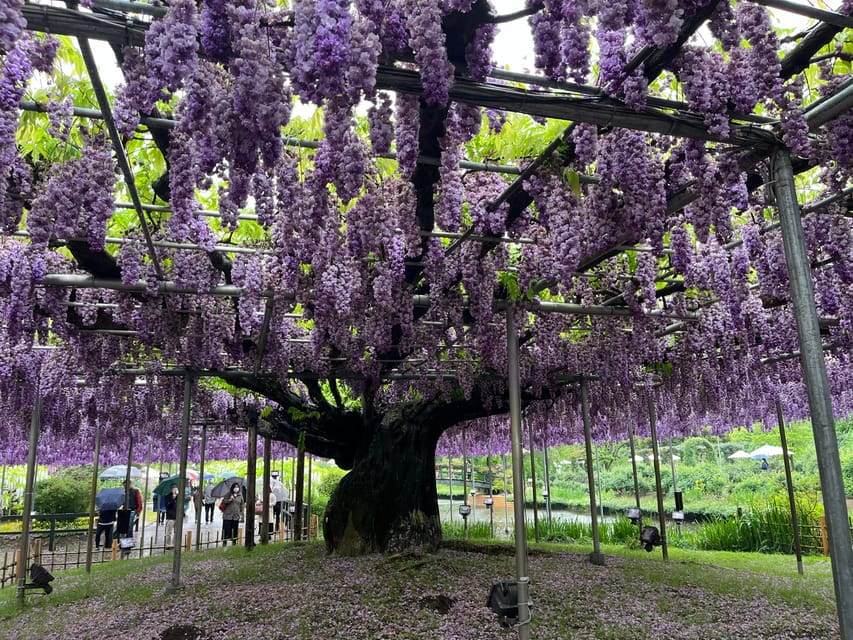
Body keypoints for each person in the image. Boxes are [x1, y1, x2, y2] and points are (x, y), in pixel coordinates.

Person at [220, 482, 244, 546]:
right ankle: (224, 542)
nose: (236, 488)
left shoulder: (240, 495)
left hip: (236, 515)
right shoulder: (228, 494)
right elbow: (224, 501)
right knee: (226, 529)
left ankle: (234, 541)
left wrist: (241, 513)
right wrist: (230, 499)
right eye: (235, 487)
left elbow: (242, 504)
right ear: (232, 488)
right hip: (228, 515)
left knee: (235, 529)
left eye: (237, 487)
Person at [163, 484, 179, 549]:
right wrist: (173, 498)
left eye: (176, 488)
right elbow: (167, 505)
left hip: (177, 517)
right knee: (168, 532)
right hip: (170, 517)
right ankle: (167, 545)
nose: (175, 489)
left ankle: (174, 544)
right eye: (173, 488)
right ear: (171, 489)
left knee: (176, 532)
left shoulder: (179, 497)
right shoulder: (167, 496)